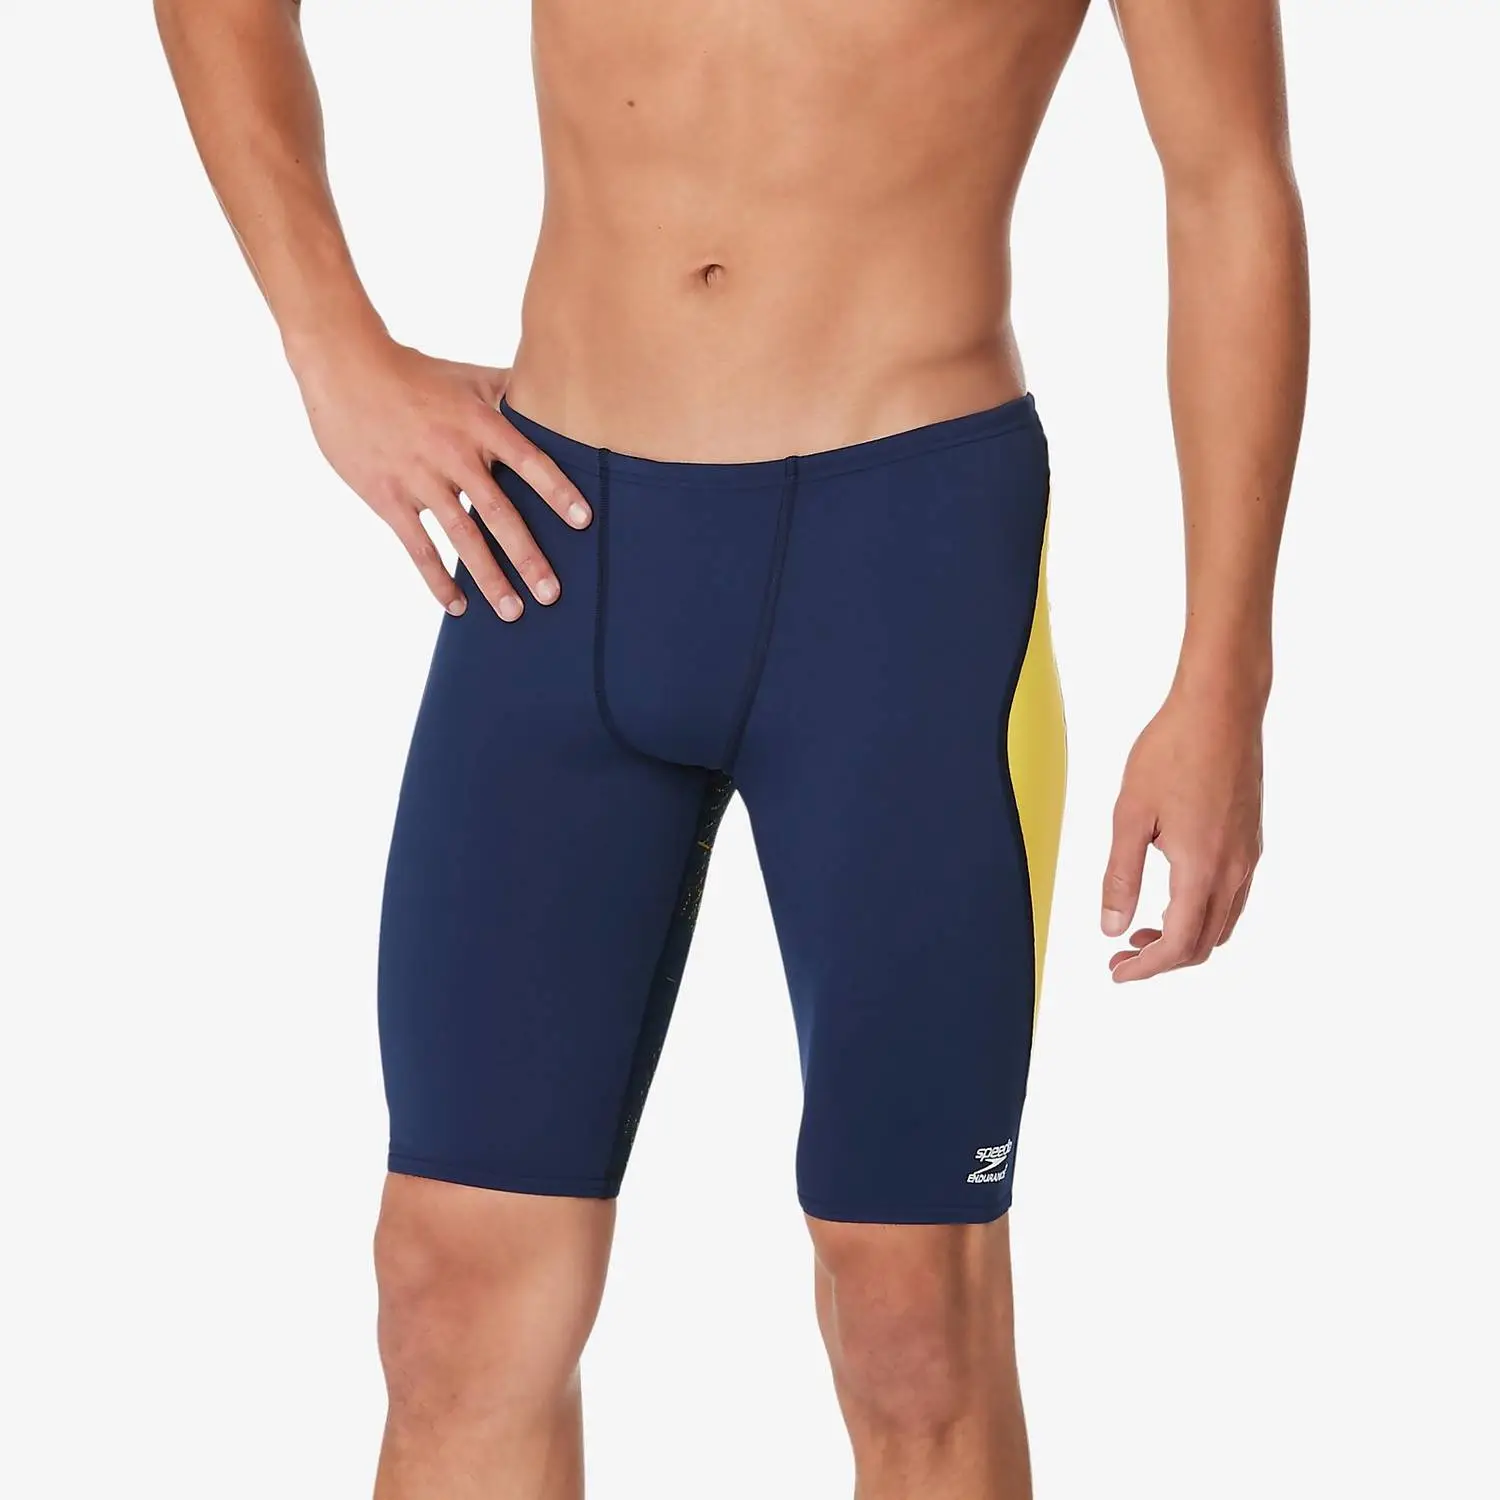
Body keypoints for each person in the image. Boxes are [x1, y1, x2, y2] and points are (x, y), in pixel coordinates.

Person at [156, 0, 1307, 1493]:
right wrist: (331, 346)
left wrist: (1224, 678)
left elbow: (1229, 184)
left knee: (911, 1318)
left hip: (904, 568)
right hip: (558, 541)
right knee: (450, 1297)